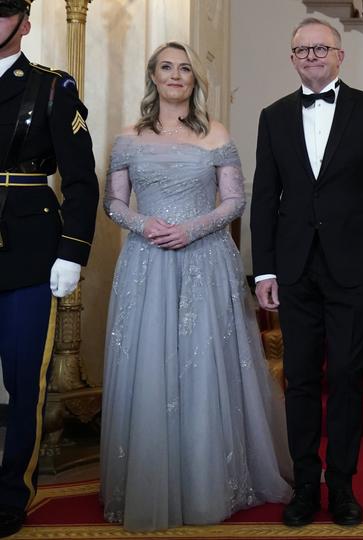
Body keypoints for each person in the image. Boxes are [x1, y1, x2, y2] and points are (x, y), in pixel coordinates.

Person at [99, 41, 292, 532]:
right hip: (148, 260)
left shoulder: (216, 134)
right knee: (151, 363)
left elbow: (233, 201)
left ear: (194, 80)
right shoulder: (128, 137)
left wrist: (191, 228)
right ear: (154, 77)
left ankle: (211, 480)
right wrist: (147, 227)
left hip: (205, 259)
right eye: (167, 67)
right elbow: (114, 203)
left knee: (206, 363)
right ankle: (155, 479)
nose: (176, 75)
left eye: (184, 68)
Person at [250, 18, 363, 527]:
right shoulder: (272, 117)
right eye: (302, 49)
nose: (311, 56)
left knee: (345, 376)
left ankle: (342, 486)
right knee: (298, 380)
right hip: (294, 268)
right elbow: (264, 200)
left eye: (321, 48)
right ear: (292, 58)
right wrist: (263, 270)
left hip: (354, 267)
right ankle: (304, 486)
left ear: (340, 55)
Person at [0, 0, 99, 537]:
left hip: (30, 252)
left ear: (24, 23)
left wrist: (73, 250)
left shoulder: (52, 88)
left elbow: (81, 180)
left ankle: (12, 489)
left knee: (23, 379)